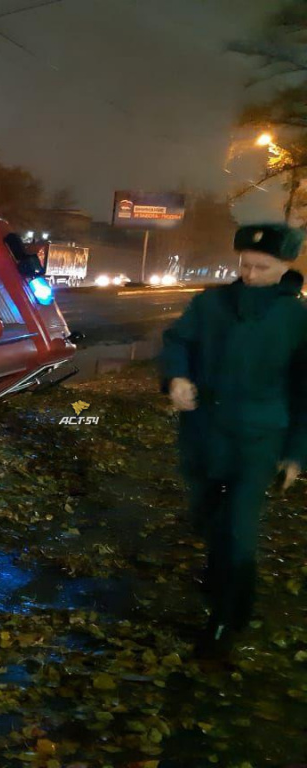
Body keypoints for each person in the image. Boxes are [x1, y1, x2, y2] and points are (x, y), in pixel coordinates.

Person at [160, 222, 307, 657]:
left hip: (259, 439)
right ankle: (219, 576)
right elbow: (177, 341)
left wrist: (296, 454)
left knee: (239, 528)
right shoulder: (211, 304)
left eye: (262, 267)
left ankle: (226, 620)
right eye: (245, 264)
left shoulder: (297, 319)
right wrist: (177, 376)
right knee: (207, 516)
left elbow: (304, 391)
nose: (250, 274)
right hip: (206, 434)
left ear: (285, 267)